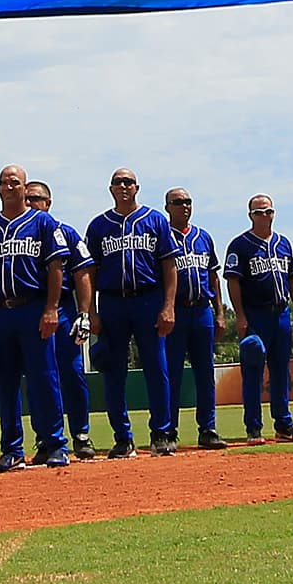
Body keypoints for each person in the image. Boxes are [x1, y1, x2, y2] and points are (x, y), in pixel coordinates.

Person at [0, 165, 73, 471]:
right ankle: (11, 449)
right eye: (4, 183)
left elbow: (56, 268)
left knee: (44, 377)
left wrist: (52, 309)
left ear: (25, 188)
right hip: (1, 311)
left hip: (32, 307)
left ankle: (55, 444)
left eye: (15, 182)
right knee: (6, 381)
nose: (9, 187)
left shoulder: (42, 223)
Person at [83, 169, 179, 457]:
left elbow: (170, 266)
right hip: (112, 301)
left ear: (137, 187)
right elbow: (89, 271)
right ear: (110, 188)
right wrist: (91, 311)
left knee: (156, 368)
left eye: (128, 182)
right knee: (114, 371)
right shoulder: (99, 225)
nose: (123, 186)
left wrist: (169, 305)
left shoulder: (155, 220)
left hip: (148, 299)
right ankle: (122, 437)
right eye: (118, 182)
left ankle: (162, 433)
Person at [23, 181, 99, 457]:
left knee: (72, 372)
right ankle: (44, 437)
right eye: (27, 198)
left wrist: (84, 313)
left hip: (64, 311)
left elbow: (83, 274)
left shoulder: (65, 232)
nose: (31, 203)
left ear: (48, 202)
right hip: (32, 309)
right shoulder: (20, 234)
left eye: (36, 198)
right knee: (37, 377)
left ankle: (81, 433)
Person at [223, 195, 293, 442]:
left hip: (280, 313)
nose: (264, 216)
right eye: (258, 212)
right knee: (253, 370)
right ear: (251, 216)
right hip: (255, 315)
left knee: (281, 371)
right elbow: (233, 281)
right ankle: (254, 427)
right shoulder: (241, 245)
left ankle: (283, 424)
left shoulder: (283, 243)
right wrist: (240, 316)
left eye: (268, 211)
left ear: (273, 213)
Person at [161, 188, 229, 450]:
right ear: (168, 207)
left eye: (188, 202)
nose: (184, 206)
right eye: (178, 202)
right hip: (175, 311)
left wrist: (220, 312)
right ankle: (168, 431)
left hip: (202, 310)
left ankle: (208, 429)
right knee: (172, 375)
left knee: (205, 374)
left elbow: (213, 276)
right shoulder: (163, 236)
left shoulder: (203, 237)